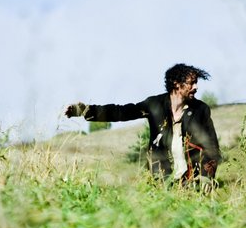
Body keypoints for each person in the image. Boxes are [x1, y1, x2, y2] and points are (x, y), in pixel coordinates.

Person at [64, 63, 221, 188]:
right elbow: (121, 112)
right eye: (191, 83)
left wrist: (206, 176)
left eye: (196, 83)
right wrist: (85, 110)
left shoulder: (201, 110)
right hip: (161, 180)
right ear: (177, 84)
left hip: (192, 182)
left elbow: (212, 147)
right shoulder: (155, 105)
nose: (196, 87)